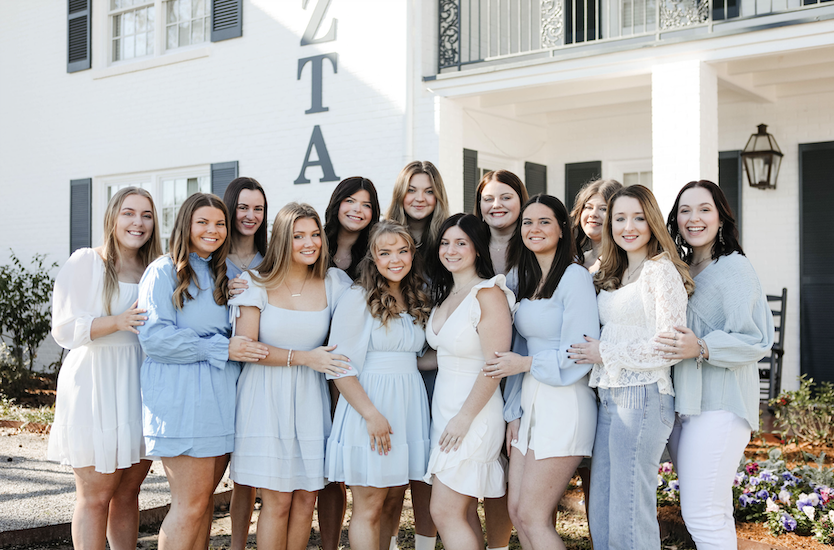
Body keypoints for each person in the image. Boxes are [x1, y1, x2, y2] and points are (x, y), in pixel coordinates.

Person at [137, 192, 269, 550]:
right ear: (186, 225)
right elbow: (154, 339)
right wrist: (221, 347)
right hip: (182, 402)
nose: (213, 230)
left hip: (221, 401)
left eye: (219, 223)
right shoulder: (163, 271)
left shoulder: (226, 273)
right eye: (203, 222)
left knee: (202, 507)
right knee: (189, 505)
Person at [568, 184, 694, 550]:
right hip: (609, 397)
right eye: (619, 218)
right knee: (604, 506)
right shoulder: (616, 271)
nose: (628, 226)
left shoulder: (660, 271)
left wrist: (604, 352)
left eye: (638, 218)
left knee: (628, 508)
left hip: (642, 398)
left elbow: (669, 347)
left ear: (652, 221)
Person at [228, 202, 352, 550]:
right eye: (299, 236)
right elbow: (247, 346)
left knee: (305, 500)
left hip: (310, 399)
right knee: (278, 500)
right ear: (283, 239)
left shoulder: (334, 283)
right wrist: (304, 358)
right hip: (264, 398)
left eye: (315, 234)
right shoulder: (254, 283)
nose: (309, 242)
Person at [658, 180, 774, 550]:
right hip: (685, 406)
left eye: (704, 209)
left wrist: (703, 346)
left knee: (701, 515)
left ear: (722, 217)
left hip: (720, 406)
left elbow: (757, 340)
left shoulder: (735, 269)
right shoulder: (681, 268)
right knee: (714, 511)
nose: (694, 218)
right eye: (685, 210)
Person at [483, 194, 600, 550]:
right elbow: (517, 348)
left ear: (563, 229)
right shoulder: (521, 276)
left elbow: (579, 352)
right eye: (527, 222)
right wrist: (514, 410)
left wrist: (528, 365)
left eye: (544, 221)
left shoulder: (575, 277)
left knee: (534, 516)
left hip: (565, 403)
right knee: (518, 513)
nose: (534, 229)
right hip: (529, 404)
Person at [48, 187, 161, 550]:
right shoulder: (87, 261)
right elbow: (64, 329)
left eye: (146, 215)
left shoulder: (156, 269)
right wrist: (117, 321)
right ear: (113, 216)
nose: (138, 222)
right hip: (96, 384)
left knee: (128, 494)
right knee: (96, 496)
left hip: (140, 385)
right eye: (129, 213)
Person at [325, 220, 432, 550]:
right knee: (369, 506)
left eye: (402, 251)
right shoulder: (357, 297)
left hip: (408, 407)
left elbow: (413, 359)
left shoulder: (416, 296)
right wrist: (371, 415)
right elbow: (339, 367)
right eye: (385, 253)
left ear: (412, 254)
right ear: (372, 256)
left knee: (394, 502)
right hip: (370, 407)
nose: (395, 259)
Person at [425, 213, 514, 550]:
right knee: (460, 512)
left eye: (461, 243)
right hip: (445, 412)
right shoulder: (448, 293)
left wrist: (464, 417)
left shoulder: (488, 294)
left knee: (444, 511)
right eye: (445, 243)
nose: (451, 250)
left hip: (473, 414)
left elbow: (494, 364)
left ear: (477, 248)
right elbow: (447, 353)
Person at [384, 160, 451, 550]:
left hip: (436, 370)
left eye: (428, 190)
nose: (420, 198)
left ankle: (425, 545)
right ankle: (390, 543)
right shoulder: (384, 238)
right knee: (392, 466)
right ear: (400, 195)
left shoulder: (450, 241)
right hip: (391, 370)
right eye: (412, 189)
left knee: (427, 467)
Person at [319, 176, 382, 550]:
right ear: (337, 203)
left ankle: (330, 544)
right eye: (350, 201)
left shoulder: (374, 255)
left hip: (348, 369)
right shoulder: (313, 242)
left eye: (366, 204)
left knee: (336, 468)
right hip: (307, 361)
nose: (357, 210)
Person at [473, 169, 529, 550]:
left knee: (519, 466)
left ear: (521, 200)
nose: (497, 205)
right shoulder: (468, 245)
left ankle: (511, 542)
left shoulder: (536, 245)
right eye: (489, 198)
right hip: (476, 369)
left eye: (506, 196)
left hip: (523, 368)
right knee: (489, 459)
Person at [222, 176, 268, 550]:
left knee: (251, 473)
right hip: (218, 371)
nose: (250, 216)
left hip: (258, 371)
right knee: (217, 474)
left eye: (258, 209)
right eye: (243, 207)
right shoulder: (210, 258)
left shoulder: (269, 261)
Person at [570, 179, 623, 272]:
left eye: (603, 209)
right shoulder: (577, 261)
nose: (593, 214)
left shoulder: (624, 262)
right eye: (588, 207)